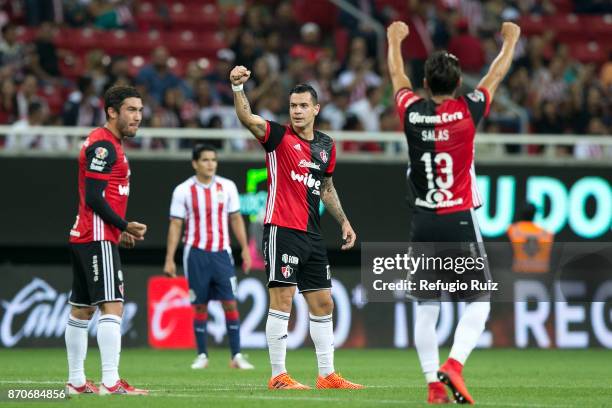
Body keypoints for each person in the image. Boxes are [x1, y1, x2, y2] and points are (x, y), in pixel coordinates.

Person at [387, 21, 520, 404]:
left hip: (423, 221)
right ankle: (455, 366)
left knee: (427, 308)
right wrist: (510, 40)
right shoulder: (468, 111)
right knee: (479, 302)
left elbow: (397, 75)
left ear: (425, 85)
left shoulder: (411, 112)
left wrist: (394, 40)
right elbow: (496, 74)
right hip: (459, 217)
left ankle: (432, 384)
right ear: (458, 83)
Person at [230, 67, 363, 390]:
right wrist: (237, 88)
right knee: (283, 300)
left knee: (323, 303)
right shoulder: (277, 136)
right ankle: (278, 375)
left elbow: (326, 188)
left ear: (316, 109)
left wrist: (344, 221)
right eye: (293, 106)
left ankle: (327, 375)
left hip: (312, 234)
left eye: (304, 106)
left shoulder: (326, 146)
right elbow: (248, 117)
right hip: (281, 229)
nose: (298, 111)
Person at [66, 85, 148, 395]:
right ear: (112, 111)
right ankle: (111, 383)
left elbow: (104, 196)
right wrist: (124, 225)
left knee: (81, 310)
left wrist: (120, 229)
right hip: (97, 235)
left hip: (88, 234)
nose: (137, 117)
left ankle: (75, 382)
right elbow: (94, 197)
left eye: (140, 110)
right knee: (112, 307)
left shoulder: (109, 142)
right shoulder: (104, 146)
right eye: (131, 110)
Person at [163, 144, 255, 370]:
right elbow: (176, 225)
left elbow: (235, 219)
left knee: (230, 304)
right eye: (205, 160)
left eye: (213, 159)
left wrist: (244, 248)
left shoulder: (228, 187)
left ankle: (236, 356)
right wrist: (169, 258)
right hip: (195, 254)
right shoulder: (183, 190)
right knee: (199, 306)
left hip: (222, 254)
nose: (210, 164)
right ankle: (202, 355)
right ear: (195, 163)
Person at [507, 203, 554, 274]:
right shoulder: (547, 234)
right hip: (542, 276)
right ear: (535, 214)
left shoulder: (512, 230)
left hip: (519, 274)